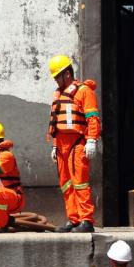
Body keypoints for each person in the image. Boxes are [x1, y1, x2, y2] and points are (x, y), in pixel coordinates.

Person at [48, 54, 101, 233]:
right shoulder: (58, 94)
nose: (56, 80)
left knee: (80, 182)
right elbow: (56, 122)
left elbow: (92, 118)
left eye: (57, 76)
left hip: (78, 142)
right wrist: (55, 144)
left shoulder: (84, 91)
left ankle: (87, 220)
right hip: (61, 144)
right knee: (66, 184)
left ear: (67, 73)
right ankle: (74, 218)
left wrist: (92, 140)